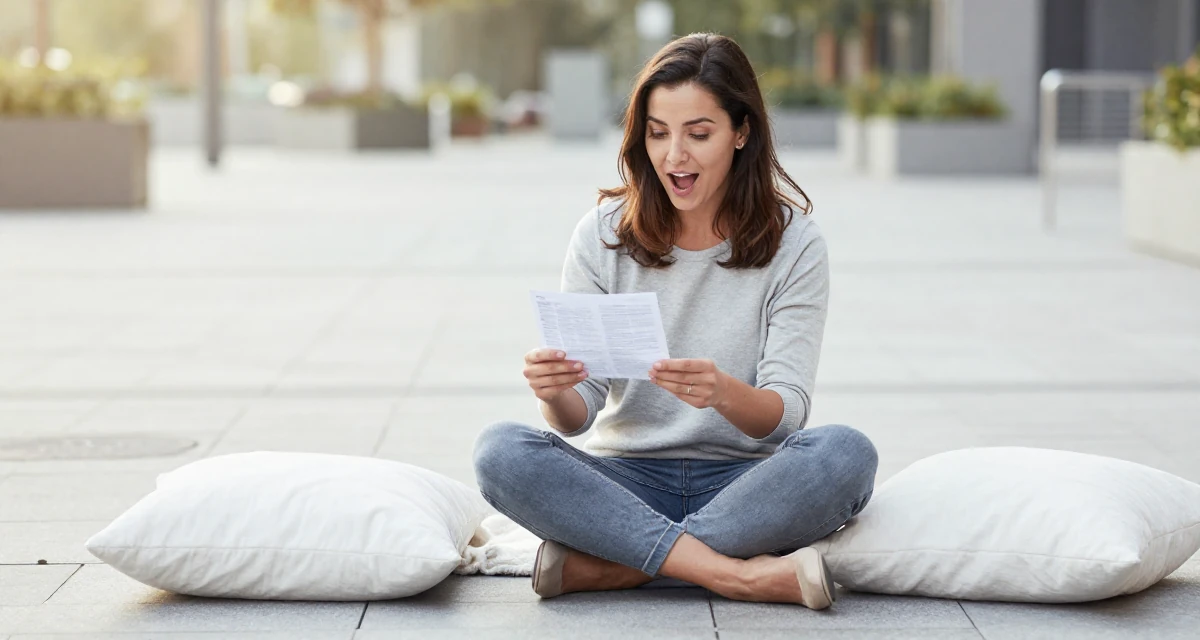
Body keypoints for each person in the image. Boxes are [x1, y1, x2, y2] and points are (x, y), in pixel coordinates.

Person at [472, 32, 877, 610]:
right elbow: (576, 418)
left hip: (745, 487)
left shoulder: (795, 245)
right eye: (658, 133)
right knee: (499, 451)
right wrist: (555, 393)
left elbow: (785, 416)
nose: (674, 156)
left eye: (698, 134)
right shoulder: (603, 234)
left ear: (741, 132)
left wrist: (724, 393)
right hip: (624, 484)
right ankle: (732, 575)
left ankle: (621, 567)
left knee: (846, 455)